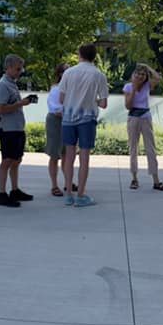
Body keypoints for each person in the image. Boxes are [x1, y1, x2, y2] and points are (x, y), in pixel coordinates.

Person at [59, 44, 111, 207]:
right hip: (87, 119)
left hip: (68, 117)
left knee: (69, 155)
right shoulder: (98, 75)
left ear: (79, 54)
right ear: (94, 56)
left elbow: (61, 98)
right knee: (84, 156)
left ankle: (68, 194)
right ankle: (80, 194)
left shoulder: (68, 72)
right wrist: (91, 100)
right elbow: (103, 103)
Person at [0, 55, 38, 207]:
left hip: (16, 128)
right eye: (18, 69)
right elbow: (1, 109)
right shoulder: (3, 85)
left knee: (16, 160)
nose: (21, 71)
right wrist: (22, 103)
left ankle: (14, 190)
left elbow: (12, 104)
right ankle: (1, 193)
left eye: (21, 68)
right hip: (8, 129)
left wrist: (21, 102)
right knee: (7, 160)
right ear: (9, 68)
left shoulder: (12, 84)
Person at [122, 65, 163, 192]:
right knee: (133, 147)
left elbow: (158, 78)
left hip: (146, 117)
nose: (140, 76)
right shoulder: (128, 87)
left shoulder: (148, 86)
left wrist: (147, 67)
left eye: (143, 74)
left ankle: (156, 180)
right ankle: (134, 178)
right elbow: (128, 106)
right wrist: (134, 89)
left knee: (150, 148)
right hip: (133, 117)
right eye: (138, 73)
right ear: (133, 75)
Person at [43, 64, 68, 197]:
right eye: (66, 71)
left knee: (67, 154)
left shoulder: (72, 89)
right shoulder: (55, 90)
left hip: (68, 121)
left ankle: (67, 182)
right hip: (55, 122)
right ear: (60, 74)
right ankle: (54, 185)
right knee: (55, 154)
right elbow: (56, 110)